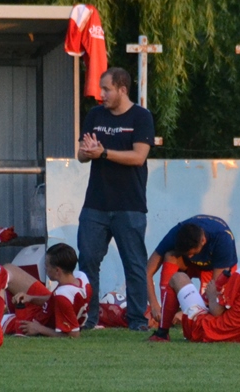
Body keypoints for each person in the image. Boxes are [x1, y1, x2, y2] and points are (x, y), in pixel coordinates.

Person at [76, 67, 156, 331]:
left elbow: (138, 157)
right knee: (88, 260)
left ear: (122, 89)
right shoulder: (95, 115)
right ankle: (88, 319)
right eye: (101, 89)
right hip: (95, 204)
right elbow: (81, 155)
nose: (101, 94)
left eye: (107, 89)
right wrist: (88, 152)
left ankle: (137, 321)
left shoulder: (141, 117)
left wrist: (103, 153)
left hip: (129, 205)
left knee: (134, 264)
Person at [146, 215, 238, 341]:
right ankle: (165, 321)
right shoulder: (175, 234)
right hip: (192, 267)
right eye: (186, 254)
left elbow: (216, 287)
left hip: (215, 270)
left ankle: (187, 319)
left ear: (203, 241)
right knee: (170, 256)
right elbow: (147, 271)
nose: (190, 256)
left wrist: (187, 311)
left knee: (213, 309)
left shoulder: (222, 239)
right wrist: (154, 304)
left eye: (193, 253)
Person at [1, 243, 92, 337]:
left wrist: (39, 329)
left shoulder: (63, 295)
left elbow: (74, 335)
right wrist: (31, 298)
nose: (45, 268)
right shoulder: (80, 277)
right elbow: (58, 300)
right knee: (8, 269)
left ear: (57, 271)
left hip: (38, 321)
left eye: (47, 265)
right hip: (46, 309)